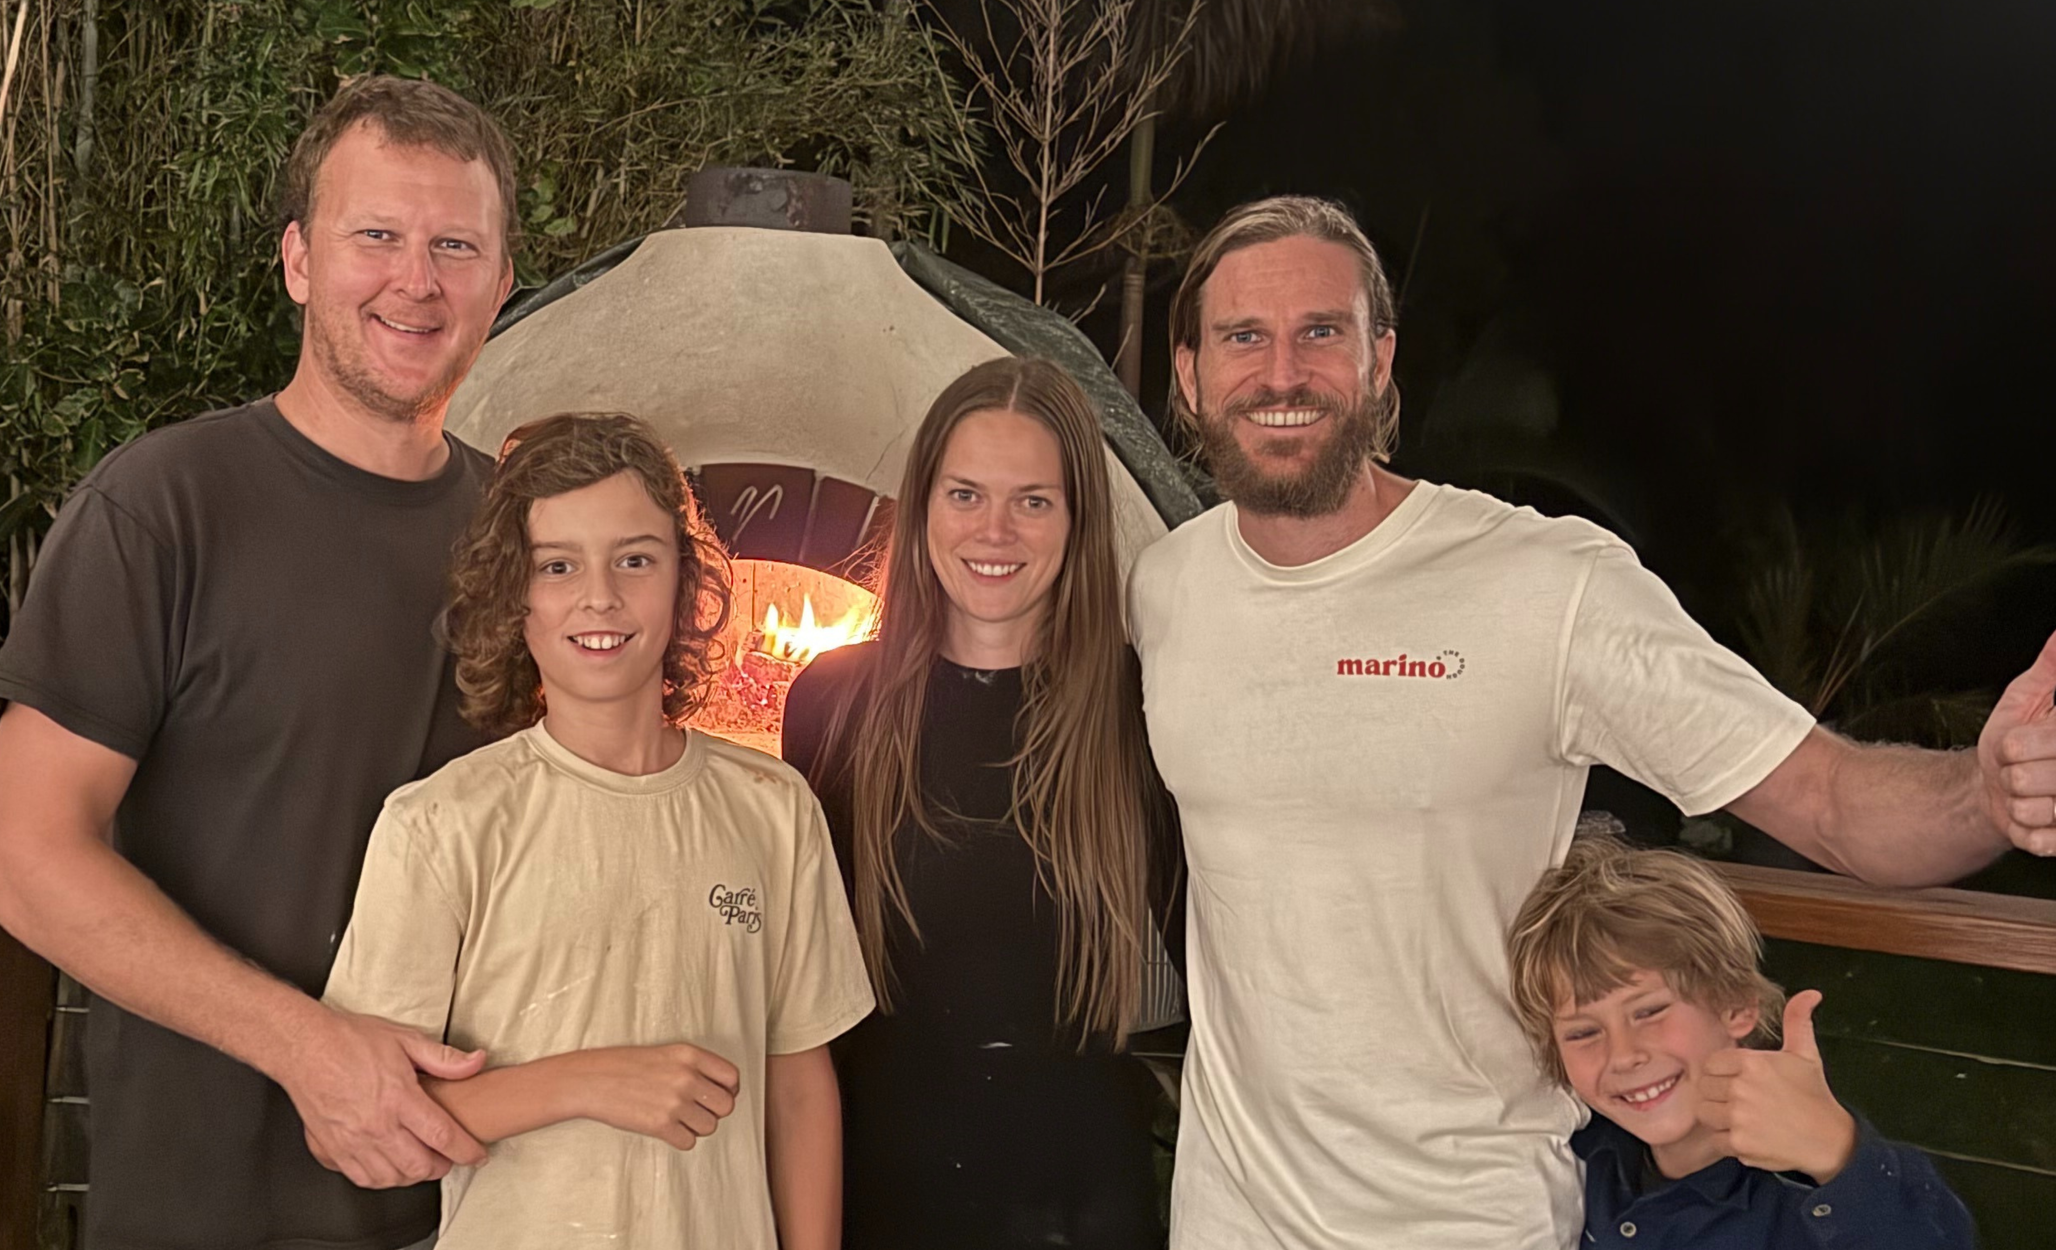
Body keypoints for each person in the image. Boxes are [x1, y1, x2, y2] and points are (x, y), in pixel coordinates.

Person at [1136, 193, 2056, 1249]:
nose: (1281, 372)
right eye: (1242, 336)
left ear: (1379, 360)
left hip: (1473, 1223)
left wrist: (1985, 793)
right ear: (1189, 373)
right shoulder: (1166, 584)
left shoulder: (1545, 585)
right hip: (1226, 1218)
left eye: (1319, 332)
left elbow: (1828, 798)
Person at [0, 77, 519, 1249]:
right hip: (210, 1205)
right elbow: (23, 857)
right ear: (299, 262)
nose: (416, 279)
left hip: (480, 1201)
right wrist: (311, 1048)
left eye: (454, 245)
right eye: (375, 235)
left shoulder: (525, 537)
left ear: (502, 282)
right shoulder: (163, 507)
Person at [320, 412, 874, 1249]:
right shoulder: (439, 825)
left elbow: (799, 1090)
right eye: (557, 565)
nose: (600, 596)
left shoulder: (775, 809)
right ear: (514, 595)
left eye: (635, 559)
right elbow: (372, 1119)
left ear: (686, 581)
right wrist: (584, 1084)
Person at [781, 356, 1188, 1249]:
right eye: (965, 494)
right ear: (923, 506)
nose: (994, 530)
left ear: (1077, 520)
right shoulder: (830, 704)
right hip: (881, 1191)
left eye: (1032, 501)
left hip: (1084, 1200)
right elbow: (801, 1003)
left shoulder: (1145, 708)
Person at [1506, 833, 1975, 1249]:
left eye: (1649, 1012)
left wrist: (1836, 1150)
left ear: (1735, 1004)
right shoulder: (1574, 1151)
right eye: (1584, 1032)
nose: (1624, 1055)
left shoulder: (1810, 1188)